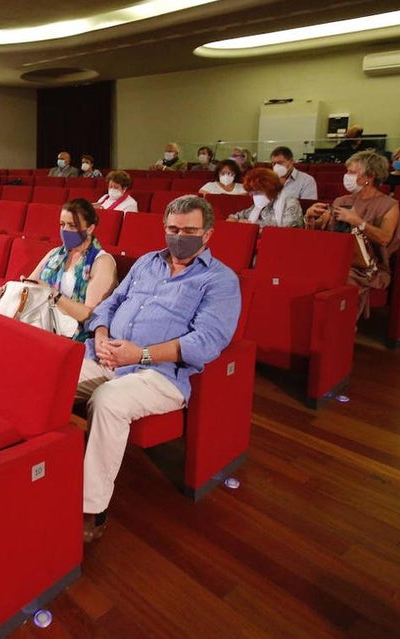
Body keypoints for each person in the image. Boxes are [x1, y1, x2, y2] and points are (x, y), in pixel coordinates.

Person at [77, 195, 240, 542]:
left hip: (160, 373)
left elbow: (207, 342)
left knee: (108, 402)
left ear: (207, 235)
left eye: (190, 230)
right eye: (173, 229)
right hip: (109, 356)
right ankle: (32, 472)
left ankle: (90, 508)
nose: (180, 236)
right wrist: (103, 334)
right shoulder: (147, 263)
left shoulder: (220, 280)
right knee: (54, 375)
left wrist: (140, 355)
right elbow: (110, 303)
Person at [304, 150, 400, 317]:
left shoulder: (389, 205)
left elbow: (385, 238)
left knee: (341, 275)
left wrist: (358, 221)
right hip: (334, 257)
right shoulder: (342, 201)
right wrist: (309, 217)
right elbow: (319, 232)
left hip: (366, 266)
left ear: (369, 177)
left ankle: (340, 325)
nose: (346, 176)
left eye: (352, 172)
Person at [28, 199, 119, 340]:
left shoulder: (102, 262)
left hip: (71, 335)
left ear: (89, 228)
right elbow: (31, 282)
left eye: (72, 226)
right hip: (40, 321)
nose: (65, 230)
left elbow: (90, 315)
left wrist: (54, 295)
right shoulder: (55, 253)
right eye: (62, 224)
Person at [227, 168, 304, 228]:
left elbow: (286, 232)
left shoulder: (290, 203)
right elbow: (234, 217)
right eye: (252, 193)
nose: (254, 196)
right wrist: (236, 221)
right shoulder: (259, 206)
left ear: (270, 188)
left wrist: (253, 228)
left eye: (257, 192)